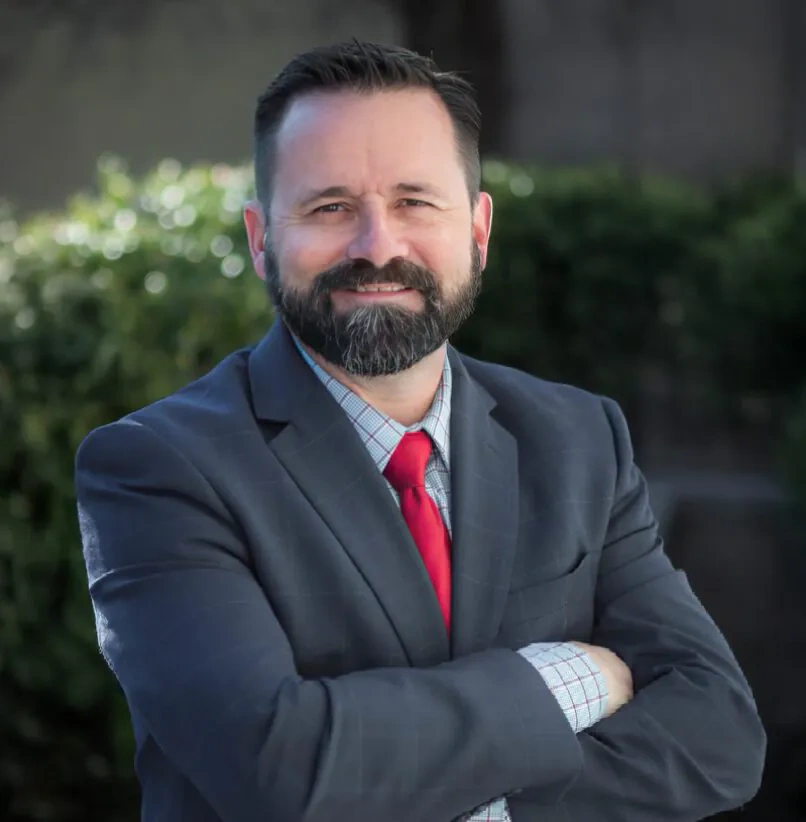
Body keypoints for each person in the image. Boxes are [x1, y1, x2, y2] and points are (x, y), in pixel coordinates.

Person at [75, 41, 765, 822]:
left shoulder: (577, 438)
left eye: (415, 202)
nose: (378, 245)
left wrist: (488, 811)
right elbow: (280, 770)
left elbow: (719, 733)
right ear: (261, 239)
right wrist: (565, 681)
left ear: (478, 229)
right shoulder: (158, 468)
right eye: (330, 207)